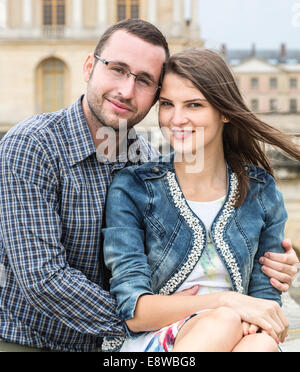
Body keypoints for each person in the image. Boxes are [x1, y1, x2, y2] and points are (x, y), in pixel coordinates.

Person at [0, 20, 298, 352]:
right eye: (117, 70)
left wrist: (278, 268)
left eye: (144, 81)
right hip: (33, 341)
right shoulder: (32, 145)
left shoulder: (146, 159)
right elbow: (43, 281)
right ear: (88, 67)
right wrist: (156, 313)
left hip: (142, 339)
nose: (126, 91)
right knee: (226, 322)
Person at [103, 48, 300, 352]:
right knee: (223, 321)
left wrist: (245, 316)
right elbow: (135, 312)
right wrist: (226, 303)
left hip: (239, 337)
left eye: (194, 105)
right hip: (153, 340)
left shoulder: (261, 190)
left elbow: (264, 303)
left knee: (260, 344)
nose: (177, 119)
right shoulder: (134, 187)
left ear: (224, 111)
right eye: (167, 104)